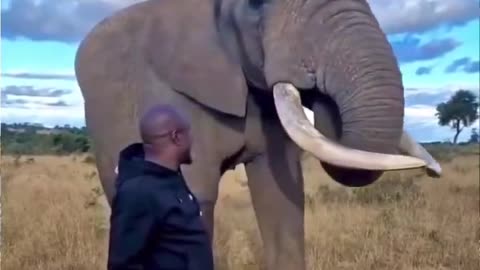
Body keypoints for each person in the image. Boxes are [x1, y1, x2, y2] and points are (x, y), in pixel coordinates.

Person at [107, 104, 214, 270]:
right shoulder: (138, 192)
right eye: (188, 133)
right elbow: (123, 264)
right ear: (176, 137)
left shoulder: (171, 179)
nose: (192, 139)